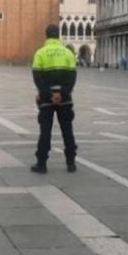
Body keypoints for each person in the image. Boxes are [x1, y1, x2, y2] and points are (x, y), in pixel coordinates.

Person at [31, 24, 79, 173]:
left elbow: (37, 78)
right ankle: (71, 163)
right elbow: (72, 77)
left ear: (46, 36)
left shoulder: (40, 53)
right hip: (65, 99)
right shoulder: (68, 53)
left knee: (45, 131)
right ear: (58, 36)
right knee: (67, 130)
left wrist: (48, 94)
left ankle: (42, 163)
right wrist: (62, 94)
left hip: (46, 99)